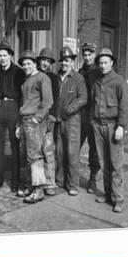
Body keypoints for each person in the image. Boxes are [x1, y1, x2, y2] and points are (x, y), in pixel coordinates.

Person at [90, 48, 128, 213]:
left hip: (114, 126)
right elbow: (93, 101)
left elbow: (125, 106)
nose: (103, 65)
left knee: (116, 164)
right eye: (100, 63)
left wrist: (121, 126)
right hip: (98, 125)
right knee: (103, 162)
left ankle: (118, 199)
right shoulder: (96, 80)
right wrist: (93, 121)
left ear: (111, 63)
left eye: (106, 62)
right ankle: (107, 194)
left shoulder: (119, 81)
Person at [15, 50, 53, 203]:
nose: (25, 66)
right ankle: (30, 186)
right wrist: (18, 124)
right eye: (23, 64)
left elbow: (48, 102)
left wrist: (37, 119)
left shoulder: (42, 78)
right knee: (25, 155)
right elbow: (23, 104)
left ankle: (38, 190)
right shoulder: (26, 81)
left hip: (34, 120)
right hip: (24, 121)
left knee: (35, 155)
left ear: (35, 64)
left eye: (28, 63)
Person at [0, 39, 26, 192]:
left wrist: (20, 115)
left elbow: (23, 94)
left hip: (13, 107)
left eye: (5, 55)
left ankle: (16, 182)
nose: (2, 58)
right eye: (0, 55)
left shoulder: (19, 72)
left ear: (11, 55)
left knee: (14, 145)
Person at [52, 47, 87, 196]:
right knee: (59, 152)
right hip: (59, 121)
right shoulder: (57, 77)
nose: (64, 63)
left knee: (72, 153)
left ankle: (73, 184)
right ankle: (60, 181)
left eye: (67, 60)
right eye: (63, 61)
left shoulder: (78, 78)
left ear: (72, 61)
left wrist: (69, 109)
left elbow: (83, 98)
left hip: (72, 121)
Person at [36, 47, 60, 196]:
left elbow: (56, 99)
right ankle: (37, 181)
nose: (45, 63)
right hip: (35, 117)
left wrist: (52, 117)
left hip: (48, 118)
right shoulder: (34, 74)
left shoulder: (53, 77)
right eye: (43, 60)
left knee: (48, 151)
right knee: (35, 151)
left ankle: (50, 182)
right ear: (39, 60)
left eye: (48, 61)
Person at [78, 42, 100, 193]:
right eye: (84, 55)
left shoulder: (99, 72)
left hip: (94, 115)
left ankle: (92, 180)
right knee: (74, 146)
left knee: (94, 150)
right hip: (80, 115)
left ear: (94, 55)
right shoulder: (79, 72)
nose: (87, 57)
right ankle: (71, 175)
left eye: (89, 54)